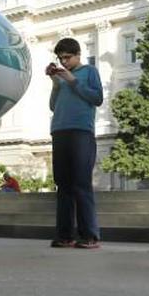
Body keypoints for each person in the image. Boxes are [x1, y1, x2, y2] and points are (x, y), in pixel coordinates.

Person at [46, 37, 103, 249]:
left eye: (67, 58)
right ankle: (65, 235)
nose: (64, 62)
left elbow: (97, 98)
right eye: (60, 59)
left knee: (81, 183)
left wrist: (72, 81)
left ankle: (89, 236)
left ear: (78, 54)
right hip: (59, 130)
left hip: (81, 131)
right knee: (63, 186)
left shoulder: (89, 72)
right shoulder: (61, 77)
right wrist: (56, 83)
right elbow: (53, 106)